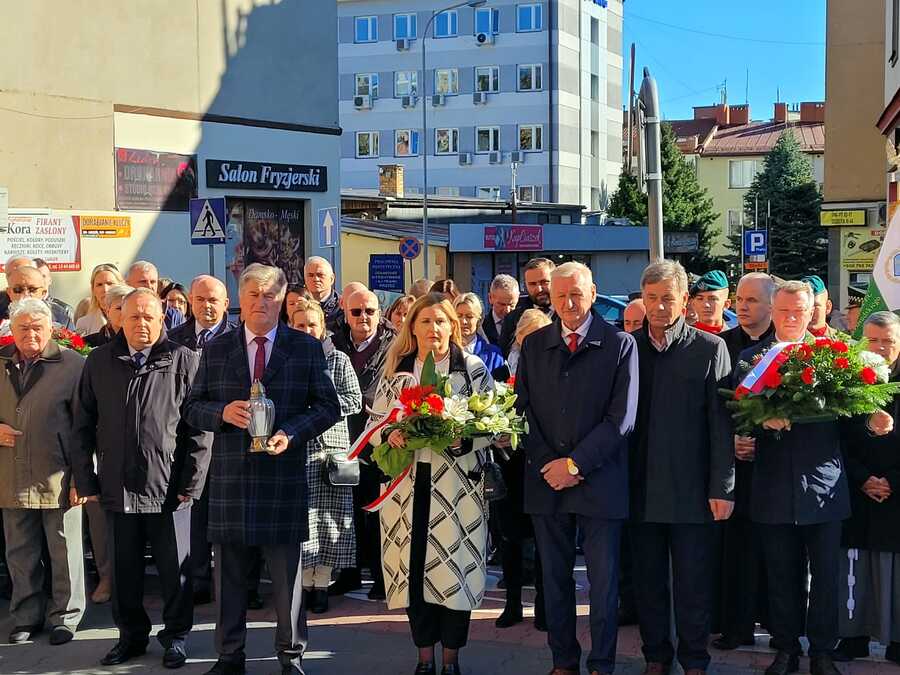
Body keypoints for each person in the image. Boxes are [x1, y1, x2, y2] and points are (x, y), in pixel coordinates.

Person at [183, 263, 340, 675]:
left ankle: (290, 657)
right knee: (230, 580)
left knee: (287, 582)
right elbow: (191, 408)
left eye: (270, 295)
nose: (261, 302)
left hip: (282, 478)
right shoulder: (217, 350)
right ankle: (229, 656)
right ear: (240, 299)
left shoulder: (304, 347)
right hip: (232, 481)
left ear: (283, 301)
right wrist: (222, 412)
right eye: (253, 294)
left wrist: (290, 432)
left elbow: (328, 407)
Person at [72, 288, 212, 669]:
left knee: (174, 572)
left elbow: (199, 431)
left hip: (168, 490)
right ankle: (131, 637)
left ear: (163, 318)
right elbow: (82, 425)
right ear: (120, 318)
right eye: (134, 317)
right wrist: (86, 482)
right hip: (117, 488)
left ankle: (176, 636)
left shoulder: (183, 360)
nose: (142, 324)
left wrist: (191, 484)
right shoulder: (100, 361)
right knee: (124, 572)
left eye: (150, 317)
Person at [516, 262, 639, 675]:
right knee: (554, 581)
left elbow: (621, 419)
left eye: (577, 294)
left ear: (593, 293)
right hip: (546, 481)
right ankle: (563, 661)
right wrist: (550, 463)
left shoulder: (620, 344)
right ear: (549, 295)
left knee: (603, 585)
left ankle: (602, 662)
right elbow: (522, 412)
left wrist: (575, 464)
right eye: (560, 294)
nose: (568, 303)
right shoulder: (534, 345)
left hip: (599, 480)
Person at [369, 293, 495, 675]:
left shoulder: (471, 370)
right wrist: (390, 434)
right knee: (412, 572)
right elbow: (375, 423)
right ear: (413, 327)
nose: (433, 329)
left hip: (457, 490)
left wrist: (465, 438)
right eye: (425, 321)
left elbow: (492, 424)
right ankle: (424, 658)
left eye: (441, 321)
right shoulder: (398, 370)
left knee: (453, 572)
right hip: (407, 489)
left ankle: (452, 658)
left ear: (452, 326)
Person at [738, 280, 852, 675]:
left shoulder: (835, 359)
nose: (790, 318)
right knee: (781, 577)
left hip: (823, 488)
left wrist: (874, 423)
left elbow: (852, 422)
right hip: (773, 488)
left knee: (826, 579)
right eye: (783, 310)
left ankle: (822, 651)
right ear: (773, 311)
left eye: (798, 311)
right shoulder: (752, 360)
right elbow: (731, 412)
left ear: (810, 312)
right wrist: (757, 422)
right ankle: (785, 649)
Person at [631, 260, 734, 675]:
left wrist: (723, 487)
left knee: (693, 585)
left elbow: (722, 427)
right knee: (648, 583)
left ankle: (694, 661)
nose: (658, 307)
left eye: (667, 299)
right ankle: (656, 657)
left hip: (693, 493)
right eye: (651, 298)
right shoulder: (627, 348)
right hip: (639, 491)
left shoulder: (710, 349)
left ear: (685, 302)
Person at [0, 299, 86, 645]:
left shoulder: (72, 365)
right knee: (19, 551)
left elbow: (86, 425)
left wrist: (83, 476)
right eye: (23, 327)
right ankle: (26, 616)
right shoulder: (2, 362)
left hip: (58, 474)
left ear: (51, 329)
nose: (30, 334)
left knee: (64, 551)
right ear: (11, 329)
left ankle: (66, 616)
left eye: (38, 327)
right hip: (11, 474)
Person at [714, 273, 776, 651]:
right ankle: (734, 626)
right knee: (733, 551)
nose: (743, 305)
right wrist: (730, 441)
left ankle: (777, 625)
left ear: (772, 305)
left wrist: (760, 441)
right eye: (739, 298)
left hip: (770, 468)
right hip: (731, 467)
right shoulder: (722, 345)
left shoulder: (782, 349)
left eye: (752, 299)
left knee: (772, 551)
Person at [834, 311, 900, 665]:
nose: (880, 348)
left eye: (888, 341)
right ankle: (853, 636)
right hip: (857, 493)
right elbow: (839, 440)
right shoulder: (849, 381)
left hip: (896, 496)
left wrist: (891, 480)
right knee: (854, 573)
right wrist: (862, 478)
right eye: (873, 340)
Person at [289, 299, 362, 615]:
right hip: (298, 450)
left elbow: (354, 399)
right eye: (300, 325)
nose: (306, 330)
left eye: (312, 325)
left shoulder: (339, 360)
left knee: (331, 521)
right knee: (304, 521)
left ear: (322, 327)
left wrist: (322, 410)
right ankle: (305, 583)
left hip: (331, 453)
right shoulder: (285, 359)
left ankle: (322, 584)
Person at [167, 275, 237, 605]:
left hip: (226, 440)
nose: (206, 306)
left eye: (214, 300)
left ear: (226, 304)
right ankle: (196, 579)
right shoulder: (173, 339)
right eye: (200, 300)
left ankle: (233, 584)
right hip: (188, 439)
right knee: (192, 513)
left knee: (225, 518)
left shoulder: (237, 340)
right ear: (190, 303)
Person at [329, 287, 396, 600]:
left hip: (378, 439)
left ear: (379, 313)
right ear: (346, 312)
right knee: (348, 511)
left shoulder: (393, 344)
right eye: (356, 312)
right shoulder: (334, 341)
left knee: (376, 513)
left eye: (369, 311)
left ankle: (383, 577)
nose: (363, 318)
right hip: (342, 436)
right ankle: (350, 573)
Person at [494, 306, 551, 632]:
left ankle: (545, 605)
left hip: (542, 466)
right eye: (524, 337)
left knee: (545, 541)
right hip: (511, 467)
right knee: (511, 540)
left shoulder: (554, 371)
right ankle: (512, 604)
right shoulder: (502, 374)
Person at [499, 258, 556, 356]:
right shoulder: (513, 319)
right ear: (525, 285)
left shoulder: (568, 314)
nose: (539, 289)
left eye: (544, 282)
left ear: (555, 280)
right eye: (532, 284)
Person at [453, 293, 509, 381]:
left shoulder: (493, 354)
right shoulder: (445, 352)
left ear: (479, 320)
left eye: (469, 316)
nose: (463, 321)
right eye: (459, 316)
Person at [126, 261, 183, 330]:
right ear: (128, 284)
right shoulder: (119, 310)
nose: (149, 286)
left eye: (153, 282)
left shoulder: (173, 315)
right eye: (143, 281)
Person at [73, 264, 123, 336]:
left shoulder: (133, 316)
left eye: (110, 283)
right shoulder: (84, 323)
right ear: (93, 290)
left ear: (120, 286)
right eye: (99, 285)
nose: (105, 290)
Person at [507, 309, 552, 376]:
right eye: (531, 336)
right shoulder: (511, 362)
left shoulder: (554, 361)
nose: (535, 341)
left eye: (541, 336)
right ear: (519, 336)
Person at [33, 258, 75, 329]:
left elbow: (71, 338)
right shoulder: (18, 308)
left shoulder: (65, 310)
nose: (39, 281)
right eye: (35, 277)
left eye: (43, 276)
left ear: (50, 280)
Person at [304, 256, 341, 329]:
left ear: (331, 279)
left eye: (320, 275)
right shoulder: (296, 305)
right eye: (310, 275)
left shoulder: (342, 307)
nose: (315, 279)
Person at [690, 270, 731, 334]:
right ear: (693, 303)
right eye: (700, 299)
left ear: (726, 304)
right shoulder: (682, 339)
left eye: (713, 299)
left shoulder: (737, 340)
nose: (706, 305)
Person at [484, 274, 520, 346]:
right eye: (501, 304)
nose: (507, 310)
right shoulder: (481, 327)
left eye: (511, 305)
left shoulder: (524, 324)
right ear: (490, 298)